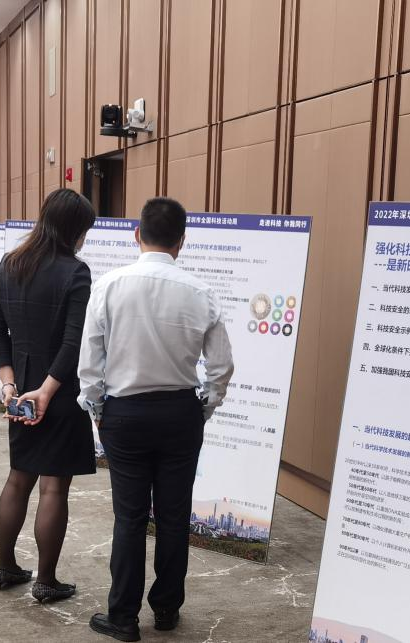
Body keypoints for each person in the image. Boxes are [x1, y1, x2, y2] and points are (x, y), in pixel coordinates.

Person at [80, 197, 234, 641]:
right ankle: (166, 609)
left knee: (129, 517)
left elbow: (90, 363)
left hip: (124, 414)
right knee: (174, 515)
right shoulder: (200, 292)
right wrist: (204, 407)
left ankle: (123, 618)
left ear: (137, 235)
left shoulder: (109, 286)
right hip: (180, 414)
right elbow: (221, 366)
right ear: (181, 241)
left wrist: (97, 409)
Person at [0, 189, 97, 603]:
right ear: (74, 230)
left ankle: (5, 565)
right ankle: (46, 580)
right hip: (59, 390)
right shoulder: (76, 272)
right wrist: (48, 391)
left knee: (18, 478)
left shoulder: (10, 263)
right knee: (53, 488)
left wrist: (8, 385)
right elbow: (73, 343)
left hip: (20, 389)